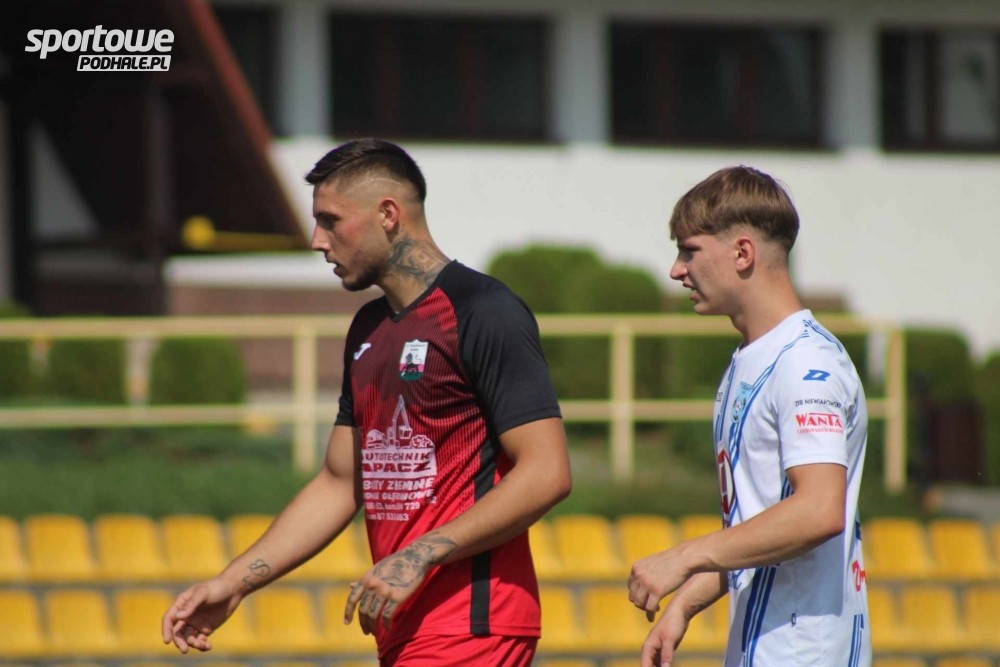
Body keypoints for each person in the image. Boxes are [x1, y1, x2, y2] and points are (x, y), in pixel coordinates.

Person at [161, 138, 572, 666]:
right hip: (405, 629)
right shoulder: (368, 329)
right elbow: (339, 482)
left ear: (388, 214)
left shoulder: (484, 310)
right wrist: (234, 581)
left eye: (331, 221)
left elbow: (546, 472)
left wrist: (420, 554)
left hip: (472, 623)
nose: (317, 241)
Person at [627, 166, 870, 667]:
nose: (676, 270)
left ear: (742, 253)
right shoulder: (752, 358)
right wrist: (685, 605)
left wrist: (685, 556)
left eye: (689, 250)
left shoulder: (805, 364)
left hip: (803, 653)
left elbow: (818, 510)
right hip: (764, 646)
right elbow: (758, 525)